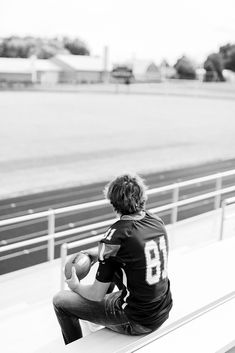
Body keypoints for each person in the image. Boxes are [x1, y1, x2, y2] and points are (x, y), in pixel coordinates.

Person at [53, 174, 173, 344]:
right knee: (115, 262)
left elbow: (95, 294)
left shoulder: (116, 237)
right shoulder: (155, 221)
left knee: (60, 301)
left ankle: (74, 348)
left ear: (113, 203)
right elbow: (131, 248)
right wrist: (98, 253)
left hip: (137, 320)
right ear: (142, 196)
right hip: (162, 308)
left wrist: (76, 286)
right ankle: (99, 317)